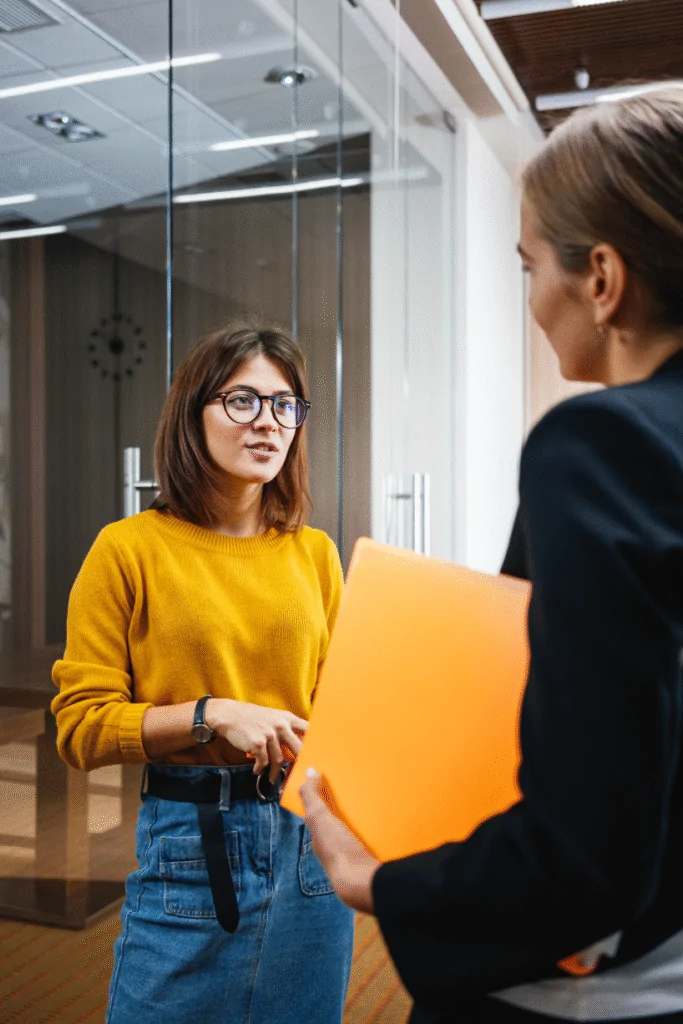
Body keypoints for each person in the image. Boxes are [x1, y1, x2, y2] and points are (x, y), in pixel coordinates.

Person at [300, 86, 683, 1024]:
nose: (532, 301)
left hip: (593, 986)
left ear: (600, 278)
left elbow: (584, 854)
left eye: (527, 269)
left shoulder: (600, 445)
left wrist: (379, 883)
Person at [51, 320, 355, 1024]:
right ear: (194, 415)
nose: (268, 423)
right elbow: (80, 727)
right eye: (242, 401)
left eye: (285, 405)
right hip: (192, 839)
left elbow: (339, 707)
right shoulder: (127, 549)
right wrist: (210, 714)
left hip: (308, 845)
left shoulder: (314, 554)